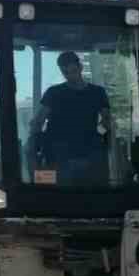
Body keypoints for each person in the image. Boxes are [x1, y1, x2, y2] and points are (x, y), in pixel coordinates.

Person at [29, 51, 111, 185]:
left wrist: (99, 135)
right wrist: (35, 142)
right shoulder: (53, 93)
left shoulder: (97, 92)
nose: (71, 76)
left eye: (73, 70)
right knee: (46, 184)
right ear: (62, 72)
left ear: (80, 68)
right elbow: (38, 122)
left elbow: (107, 122)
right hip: (58, 155)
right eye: (66, 72)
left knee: (92, 186)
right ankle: (37, 187)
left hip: (86, 153)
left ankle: (40, 185)